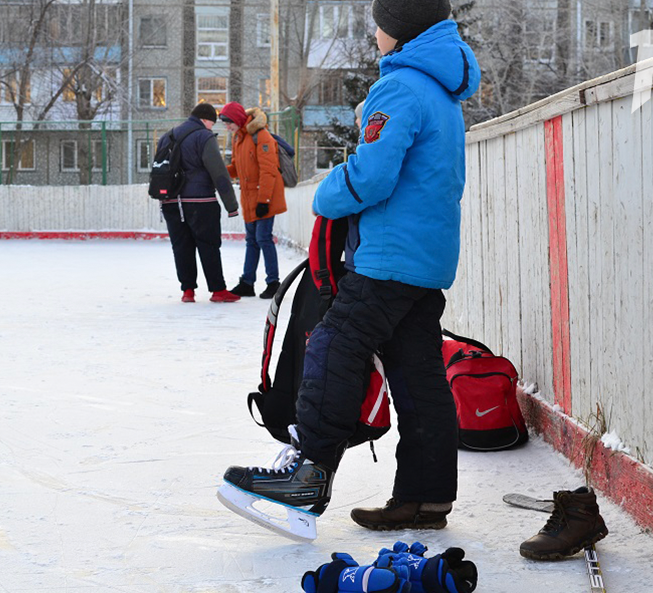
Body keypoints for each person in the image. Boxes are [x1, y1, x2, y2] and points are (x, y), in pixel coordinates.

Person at [217, 0, 481, 541]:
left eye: (379, 23)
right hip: (425, 261)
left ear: (401, 29)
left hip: (387, 259)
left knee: (334, 342)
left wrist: (326, 193)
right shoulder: (441, 92)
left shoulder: (402, 86)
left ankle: (308, 475)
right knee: (417, 373)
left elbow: (373, 176)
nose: (374, 32)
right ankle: (424, 496)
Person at [156, 102, 241, 303]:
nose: (212, 127)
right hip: (200, 202)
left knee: (181, 245)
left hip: (170, 202)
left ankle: (187, 291)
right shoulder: (203, 136)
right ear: (205, 120)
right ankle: (218, 290)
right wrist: (231, 205)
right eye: (212, 123)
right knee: (208, 245)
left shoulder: (167, 136)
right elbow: (219, 172)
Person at [218, 102, 286, 300]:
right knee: (251, 240)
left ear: (237, 120)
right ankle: (247, 282)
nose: (227, 127)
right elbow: (237, 168)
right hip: (249, 197)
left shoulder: (260, 135)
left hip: (265, 196)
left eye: (228, 123)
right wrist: (218, 172)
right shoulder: (238, 137)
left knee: (263, 238)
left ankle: (273, 282)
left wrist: (264, 200)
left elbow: (269, 170)